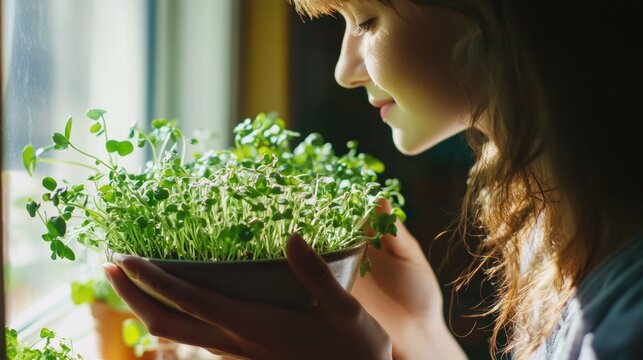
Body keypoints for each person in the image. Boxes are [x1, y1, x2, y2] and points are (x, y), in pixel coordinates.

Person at [103, 0, 643, 359]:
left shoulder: (628, 319)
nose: (344, 68)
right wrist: (417, 331)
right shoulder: (568, 219)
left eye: (366, 20)